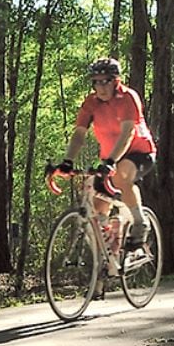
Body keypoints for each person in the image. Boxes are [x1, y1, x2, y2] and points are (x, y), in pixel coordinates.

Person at [53, 56, 157, 254]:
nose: (101, 87)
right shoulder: (91, 103)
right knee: (98, 206)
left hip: (139, 152)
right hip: (110, 158)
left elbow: (128, 133)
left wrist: (111, 161)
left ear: (116, 81)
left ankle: (140, 223)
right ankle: (110, 251)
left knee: (121, 176)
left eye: (106, 81)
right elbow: (79, 134)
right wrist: (67, 161)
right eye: (96, 82)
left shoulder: (127, 97)